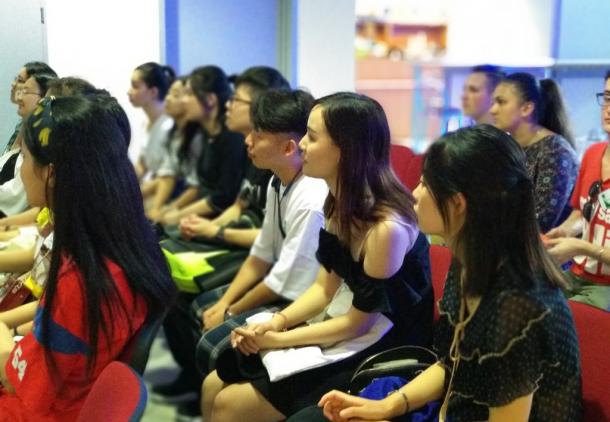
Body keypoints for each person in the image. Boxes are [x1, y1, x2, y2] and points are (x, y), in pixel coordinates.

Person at [311, 125, 581, 422]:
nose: (414, 194)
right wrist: (386, 406)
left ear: (457, 204)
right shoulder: (469, 260)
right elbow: (453, 364)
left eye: (425, 184)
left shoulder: (518, 306)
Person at [202, 92, 432, 421]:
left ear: (346, 149)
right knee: (213, 383)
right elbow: (324, 289)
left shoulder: (386, 229)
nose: (301, 145)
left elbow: (359, 324)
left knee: (230, 403)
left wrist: (278, 339)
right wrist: (276, 323)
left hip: (384, 344)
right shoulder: (338, 200)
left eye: (311, 136)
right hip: (347, 322)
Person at [0, 94, 175, 420]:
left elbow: (16, 380)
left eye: (25, 158)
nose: (21, 171)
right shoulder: (122, 245)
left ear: (51, 173)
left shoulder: (81, 280)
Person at [156, 89, 327, 419]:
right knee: (202, 309)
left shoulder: (311, 199)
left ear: (289, 147)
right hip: (288, 287)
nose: (248, 141)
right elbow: (262, 253)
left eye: (257, 135)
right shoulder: (278, 182)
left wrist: (231, 309)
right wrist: (226, 303)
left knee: (214, 341)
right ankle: (202, 388)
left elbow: (285, 282)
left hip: (299, 301)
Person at [177, 66, 290, 248]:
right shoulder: (249, 149)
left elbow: (281, 238)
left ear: (261, 107)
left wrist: (215, 231)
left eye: (235, 99)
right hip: (245, 242)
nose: (228, 105)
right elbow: (238, 206)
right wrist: (202, 228)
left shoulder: (280, 161)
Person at [546, 71, 610, 311]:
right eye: (607, 97)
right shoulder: (593, 154)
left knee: (564, 317)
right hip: (576, 274)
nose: (609, 108)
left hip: (605, 286)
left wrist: (581, 247)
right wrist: (564, 231)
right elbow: (581, 214)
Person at [490, 72, 578, 232]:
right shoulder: (506, 147)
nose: (493, 110)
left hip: (543, 246)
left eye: (501, 102)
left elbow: (541, 219)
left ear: (526, 108)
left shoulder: (554, 150)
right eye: (493, 102)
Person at [160, 66, 247, 224]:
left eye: (189, 94)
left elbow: (224, 197)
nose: (184, 101)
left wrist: (177, 215)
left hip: (220, 221)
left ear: (210, 100)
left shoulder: (232, 137)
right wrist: (173, 210)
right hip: (203, 218)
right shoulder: (207, 134)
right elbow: (202, 187)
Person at [128, 62, 175, 178]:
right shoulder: (146, 124)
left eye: (135, 86)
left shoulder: (170, 126)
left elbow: (168, 178)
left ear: (153, 92)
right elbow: (142, 165)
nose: (129, 92)